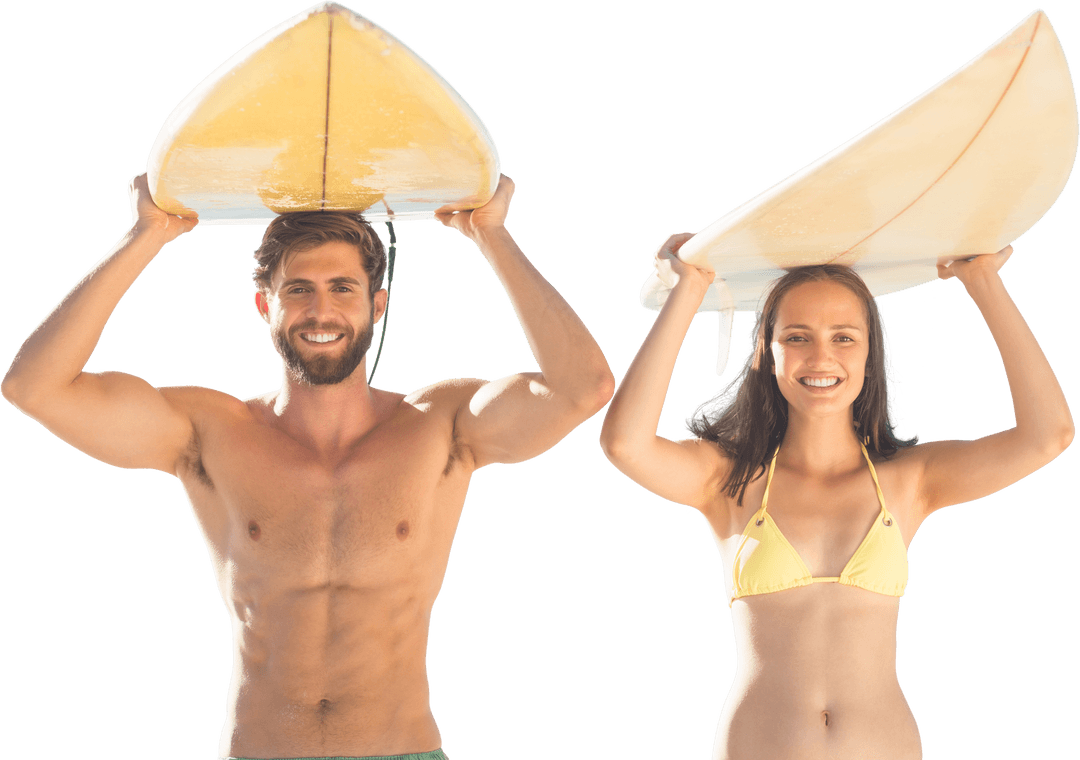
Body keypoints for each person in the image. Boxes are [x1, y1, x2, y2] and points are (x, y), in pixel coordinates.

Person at [0, 172, 615, 760]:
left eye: (342, 288)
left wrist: (491, 235)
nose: (321, 312)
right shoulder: (210, 432)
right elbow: (36, 388)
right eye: (299, 290)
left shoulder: (440, 426)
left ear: (378, 304)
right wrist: (146, 235)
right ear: (266, 304)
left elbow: (582, 389)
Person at [598, 232, 1073, 760]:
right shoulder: (727, 481)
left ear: (870, 354)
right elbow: (624, 443)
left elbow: (1047, 436)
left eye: (843, 337)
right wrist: (692, 287)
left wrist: (982, 279)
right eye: (797, 337)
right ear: (768, 353)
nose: (820, 357)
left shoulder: (911, 481)